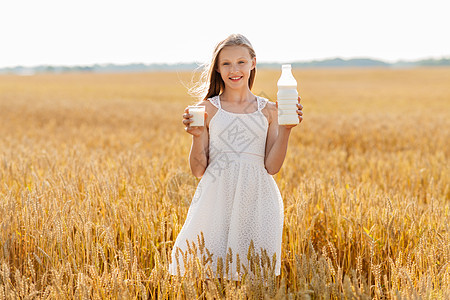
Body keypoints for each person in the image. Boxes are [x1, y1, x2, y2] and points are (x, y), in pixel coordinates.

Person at [169, 33, 303, 280]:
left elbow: (272, 167)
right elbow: (198, 170)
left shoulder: (270, 110)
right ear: (218, 69)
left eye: (241, 62)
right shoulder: (207, 108)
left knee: (253, 274)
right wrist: (197, 136)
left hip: (258, 198)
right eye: (226, 63)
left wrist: (286, 129)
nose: (234, 69)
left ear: (253, 63)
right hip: (216, 198)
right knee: (207, 272)